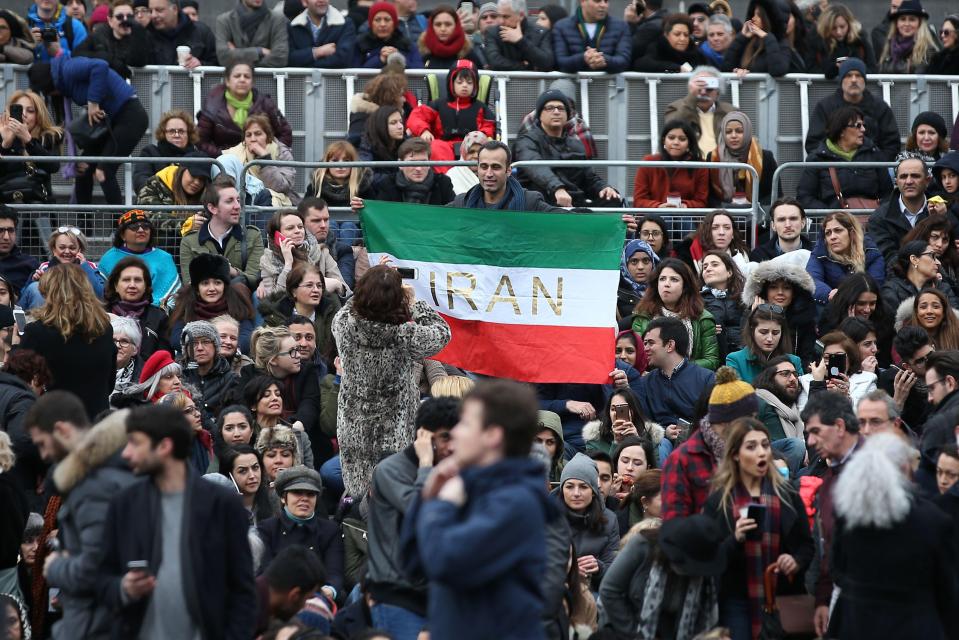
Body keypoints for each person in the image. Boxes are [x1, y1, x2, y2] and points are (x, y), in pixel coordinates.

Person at [402, 380, 552, 639]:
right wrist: (427, 496)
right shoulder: (464, 486)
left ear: (492, 435)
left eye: (466, 424)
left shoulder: (518, 501)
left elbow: (443, 560)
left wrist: (442, 504)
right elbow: (412, 562)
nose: (456, 432)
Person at [95, 404, 255, 638]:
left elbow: (242, 590)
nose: (126, 453)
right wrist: (123, 588)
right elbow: (101, 580)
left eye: (135, 443)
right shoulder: (124, 505)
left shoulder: (222, 505)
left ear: (164, 447)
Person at [332, 265, 451, 498]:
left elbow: (356, 303)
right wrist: (414, 303)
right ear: (397, 301)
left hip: (353, 424)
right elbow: (442, 333)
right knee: (390, 497)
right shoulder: (405, 336)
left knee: (358, 496)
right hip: (395, 429)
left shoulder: (342, 322)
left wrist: (378, 278)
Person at [831, 432, 957, 639]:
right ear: (906, 468)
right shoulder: (933, 520)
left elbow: (838, 569)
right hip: (914, 627)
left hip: (856, 623)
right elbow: (946, 591)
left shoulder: (848, 515)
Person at [703, 417, 814, 640]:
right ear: (735, 454)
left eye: (765, 445)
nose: (762, 452)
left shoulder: (787, 495)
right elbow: (709, 559)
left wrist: (796, 561)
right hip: (737, 602)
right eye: (751, 447)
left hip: (784, 597)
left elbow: (806, 546)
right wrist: (735, 539)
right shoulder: (719, 502)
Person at [365, 397, 458, 637]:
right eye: (446, 437)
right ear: (424, 436)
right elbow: (423, 511)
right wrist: (426, 465)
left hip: (439, 596)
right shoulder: (389, 470)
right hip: (397, 596)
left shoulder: (452, 471)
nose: (452, 447)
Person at [27, 51, 149, 206]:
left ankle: (121, 227)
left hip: (130, 116)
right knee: (83, 169)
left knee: (103, 172)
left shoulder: (68, 68)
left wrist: (93, 101)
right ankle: (84, 228)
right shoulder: (63, 83)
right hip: (111, 120)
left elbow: (100, 66)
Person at [796, 391, 862, 637]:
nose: (810, 442)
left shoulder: (875, 467)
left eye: (815, 431)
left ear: (840, 426)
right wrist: (823, 598)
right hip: (840, 597)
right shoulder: (828, 479)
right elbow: (828, 546)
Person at [660, 366, 757, 520]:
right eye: (747, 419)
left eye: (755, 417)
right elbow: (673, 529)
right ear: (725, 421)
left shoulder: (759, 452)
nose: (753, 426)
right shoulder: (682, 460)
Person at [20, 264, 114, 420]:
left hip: (54, 422)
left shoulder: (37, 332)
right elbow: (109, 383)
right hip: (96, 421)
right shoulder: (104, 330)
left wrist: (16, 342)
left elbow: (18, 380)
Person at [515, 89, 620, 208]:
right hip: (541, 203)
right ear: (540, 114)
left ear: (567, 114)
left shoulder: (576, 144)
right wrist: (557, 188)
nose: (556, 112)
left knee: (612, 198)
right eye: (550, 108)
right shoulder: (527, 140)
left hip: (574, 203)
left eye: (561, 108)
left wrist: (604, 187)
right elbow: (535, 166)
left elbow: (589, 177)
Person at [257, 466, 343, 596]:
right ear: (282, 498)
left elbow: (335, 572)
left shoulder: (330, 530)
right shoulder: (267, 529)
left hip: (318, 596)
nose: (304, 498)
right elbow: (266, 569)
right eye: (297, 492)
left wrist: (330, 590)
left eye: (310, 494)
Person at [798, 105, 893, 211]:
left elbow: (888, 194)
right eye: (858, 125)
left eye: (863, 125)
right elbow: (804, 197)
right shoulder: (817, 158)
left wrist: (878, 215)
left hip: (871, 222)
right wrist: (830, 215)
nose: (863, 129)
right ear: (841, 130)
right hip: (832, 224)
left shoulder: (874, 154)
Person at [805, 57, 901, 160]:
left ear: (864, 80)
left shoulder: (880, 107)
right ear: (841, 80)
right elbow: (813, 143)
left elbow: (892, 144)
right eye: (848, 75)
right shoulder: (825, 107)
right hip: (832, 169)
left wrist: (875, 165)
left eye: (858, 75)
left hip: (871, 171)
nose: (854, 80)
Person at [179, 176, 265, 291]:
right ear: (213, 208)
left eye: (238, 200)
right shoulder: (189, 241)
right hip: (205, 299)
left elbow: (254, 279)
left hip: (240, 300)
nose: (237, 206)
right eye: (230, 201)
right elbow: (189, 284)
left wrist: (231, 271)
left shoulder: (253, 235)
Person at [631, 259, 720, 370]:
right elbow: (637, 357)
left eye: (674, 279)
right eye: (662, 279)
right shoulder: (643, 316)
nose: (666, 284)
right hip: (652, 380)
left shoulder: (702, 318)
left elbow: (711, 361)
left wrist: (677, 368)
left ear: (685, 286)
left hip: (690, 381)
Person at [196, 61, 293, 158]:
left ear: (252, 82)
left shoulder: (265, 103)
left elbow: (285, 134)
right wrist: (224, 155)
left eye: (246, 76)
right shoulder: (212, 105)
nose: (242, 80)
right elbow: (200, 141)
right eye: (237, 76)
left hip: (260, 159)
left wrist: (269, 152)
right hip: (223, 162)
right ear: (227, 81)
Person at [636, 317, 717, 428]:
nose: (645, 348)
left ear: (670, 345)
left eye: (650, 343)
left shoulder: (706, 379)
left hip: (697, 440)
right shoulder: (645, 383)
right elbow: (644, 423)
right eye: (645, 343)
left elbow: (716, 420)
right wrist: (664, 433)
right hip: (658, 443)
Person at [406, 59, 495, 161]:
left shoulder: (481, 108)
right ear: (451, 83)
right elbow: (416, 117)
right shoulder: (437, 105)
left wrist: (486, 136)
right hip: (442, 146)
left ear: (475, 86)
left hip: (471, 147)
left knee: (481, 149)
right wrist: (424, 131)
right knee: (435, 146)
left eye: (469, 83)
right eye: (460, 82)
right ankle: (446, 177)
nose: (465, 85)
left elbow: (488, 127)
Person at [556, 453, 619, 592]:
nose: (576, 493)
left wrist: (599, 567)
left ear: (593, 491)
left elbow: (614, 573)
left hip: (591, 592)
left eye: (583, 487)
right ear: (562, 489)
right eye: (569, 486)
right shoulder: (546, 516)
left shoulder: (609, 520)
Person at [168, 253, 256, 352]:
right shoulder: (186, 306)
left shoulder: (236, 304)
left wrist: (228, 349)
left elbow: (247, 336)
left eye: (217, 283)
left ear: (225, 286)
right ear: (197, 288)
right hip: (195, 359)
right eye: (205, 283)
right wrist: (207, 350)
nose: (212, 289)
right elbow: (176, 339)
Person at [449, 140, 565, 211]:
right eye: (484, 167)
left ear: (508, 170)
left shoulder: (529, 202)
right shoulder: (462, 203)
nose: (489, 174)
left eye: (496, 167)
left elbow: (562, 220)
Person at [257, 209, 347, 300]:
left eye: (300, 227)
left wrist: (337, 285)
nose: (297, 231)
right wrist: (288, 264)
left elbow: (346, 291)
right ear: (277, 235)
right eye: (290, 228)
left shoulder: (320, 252)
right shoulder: (268, 260)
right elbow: (275, 300)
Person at [869, 153, 941, 264]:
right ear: (896, 182)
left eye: (915, 176)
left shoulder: (942, 211)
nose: (908, 181)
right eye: (903, 176)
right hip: (898, 277)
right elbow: (888, 258)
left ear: (927, 180)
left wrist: (940, 218)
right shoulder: (879, 218)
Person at [98, 210, 180, 305]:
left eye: (145, 227)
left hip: (157, 313)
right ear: (122, 235)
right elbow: (102, 291)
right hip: (117, 312)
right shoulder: (109, 258)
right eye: (134, 227)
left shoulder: (165, 258)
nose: (141, 230)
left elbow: (172, 295)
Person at [806, 211, 886, 305]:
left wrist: (846, 295)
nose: (832, 237)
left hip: (863, 306)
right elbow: (812, 280)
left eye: (838, 230)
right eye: (828, 233)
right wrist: (829, 294)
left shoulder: (871, 252)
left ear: (852, 233)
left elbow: (875, 282)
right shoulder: (819, 254)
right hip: (831, 306)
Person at [0, 90, 61, 212]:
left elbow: (53, 166)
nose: (24, 115)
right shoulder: (2, 136)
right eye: (18, 110)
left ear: (38, 115)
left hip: (40, 206)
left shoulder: (49, 136)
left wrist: (28, 140)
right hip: (7, 206)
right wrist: (6, 144)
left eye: (30, 111)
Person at [19, 227, 105, 311]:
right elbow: (25, 296)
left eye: (72, 248)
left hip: (82, 316)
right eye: (62, 247)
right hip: (51, 315)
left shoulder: (90, 267)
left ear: (80, 250)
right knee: (35, 287)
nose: (67, 252)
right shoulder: (44, 267)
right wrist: (35, 280)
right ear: (54, 249)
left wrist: (85, 268)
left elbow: (102, 295)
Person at [220, 114, 299, 205]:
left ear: (268, 136)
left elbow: (281, 187)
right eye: (248, 135)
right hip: (242, 202)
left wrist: (265, 158)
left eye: (258, 134)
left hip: (276, 202)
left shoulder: (281, 153)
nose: (253, 139)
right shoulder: (234, 154)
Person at [305, 142, 374, 246]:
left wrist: (363, 207)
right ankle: (329, 259)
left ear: (353, 164)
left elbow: (372, 212)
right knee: (331, 225)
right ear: (326, 163)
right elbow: (304, 209)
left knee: (348, 226)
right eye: (335, 160)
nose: (341, 165)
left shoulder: (363, 186)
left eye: (346, 161)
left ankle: (347, 257)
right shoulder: (316, 186)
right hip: (324, 227)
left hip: (355, 229)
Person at [104, 255, 172, 360]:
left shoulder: (159, 318)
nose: (132, 285)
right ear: (115, 286)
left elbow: (165, 359)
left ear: (146, 286)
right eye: (126, 280)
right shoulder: (101, 315)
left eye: (138, 280)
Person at [633, 119, 709, 210]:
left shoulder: (700, 166)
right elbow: (639, 200)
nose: (676, 142)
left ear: (689, 144)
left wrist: (685, 206)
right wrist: (658, 206)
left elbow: (701, 202)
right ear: (663, 141)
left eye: (682, 139)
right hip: (654, 217)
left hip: (687, 217)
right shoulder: (649, 162)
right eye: (671, 138)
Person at [706, 111, 777, 207]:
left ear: (747, 132)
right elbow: (708, 195)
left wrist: (754, 206)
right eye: (728, 132)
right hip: (722, 214)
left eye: (739, 131)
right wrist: (725, 208)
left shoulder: (765, 157)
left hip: (758, 215)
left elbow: (775, 193)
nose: (734, 136)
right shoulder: (713, 157)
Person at [663, 67, 734, 157]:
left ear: (718, 92)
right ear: (691, 89)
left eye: (709, 88)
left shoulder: (730, 112)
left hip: (721, 164)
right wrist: (692, 97)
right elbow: (672, 127)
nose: (703, 92)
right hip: (689, 164)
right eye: (699, 88)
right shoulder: (675, 108)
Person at [753, 357, 807, 474]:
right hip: (766, 463)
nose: (793, 379)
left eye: (795, 374)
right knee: (796, 446)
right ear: (770, 378)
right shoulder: (758, 401)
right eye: (785, 374)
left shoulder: (798, 404)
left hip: (797, 466)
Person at [726, 304, 804, 384]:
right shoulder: (735, 360)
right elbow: (734, 395)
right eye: (763, 332)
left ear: (782, 333)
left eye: (775, 333)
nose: (770, 338)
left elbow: (800, 394)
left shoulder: (794, 361)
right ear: (752, 331)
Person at [75, 0, 152, 79]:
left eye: (129, 17)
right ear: (110, 21)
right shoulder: (99, 35)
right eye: (120, 17)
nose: (125, 20)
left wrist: (138, 31)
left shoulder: (141, 35)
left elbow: (138, 62)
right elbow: (77, 54)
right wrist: (108, 59)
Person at [179, 320, 238, 418]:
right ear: (186, 349)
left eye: (206, 342)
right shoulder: (178, 379)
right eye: (193, 343)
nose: (200, 348)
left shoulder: (231, 379)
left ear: (216, 346)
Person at [372, 137, 456, 205]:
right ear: (400, 164)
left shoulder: (443, 183)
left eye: (423, 162)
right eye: (412, 163)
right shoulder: (388, 184)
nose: (418, 168)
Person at [552, 0, 630, 73]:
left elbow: (624, 60)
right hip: (573, 84)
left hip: (610, 85)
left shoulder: (621, 26)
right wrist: (583, 58)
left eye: (606, 1)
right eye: (597, 1)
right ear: (582, 1)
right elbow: (561, 61)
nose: (603, 5)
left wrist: (604, 60)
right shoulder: (561, 26)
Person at [132, 110, 200, 193]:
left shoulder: (197, 157)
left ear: (188, 134)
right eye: (172, 131)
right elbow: (140, 182)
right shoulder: (150, 153)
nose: (176, 135)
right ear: (163, 134)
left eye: (181, 131)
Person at [882, 240, 959, 312]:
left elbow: (955, 320)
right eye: (932, 256)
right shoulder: (892, 290)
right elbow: (892, 324)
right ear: (914, 259)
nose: (938, 263)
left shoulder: (943, 288)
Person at [299, 198, 356, 289]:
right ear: (301, 222)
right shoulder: (291, 249)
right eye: (316, 221)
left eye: (326, 220)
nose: (323, 225)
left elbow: (345, 287)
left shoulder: (342, 250)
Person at [675, 210, 750, 277]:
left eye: (726, 228)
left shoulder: (742, 255)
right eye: (715, 228)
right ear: (707, 232)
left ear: (733, 234)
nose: (721, 232)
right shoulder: (689, 253)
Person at [809, 3, 876, 78]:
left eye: (842, 27)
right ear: (826, 27)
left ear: (849, 24)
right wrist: (834, 68)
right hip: (824, 88)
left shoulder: (860, 42)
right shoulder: (818, 42)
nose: (838, 32)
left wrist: (853, 66)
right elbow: (811, 70)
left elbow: (873, 70)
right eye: (833, 28)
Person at [215, 0, 289, 67]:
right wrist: (259, 51)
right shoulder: (225, 20)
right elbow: (223, 57)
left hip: (267, 79)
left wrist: (236, 54)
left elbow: (280, 58)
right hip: (236, 80)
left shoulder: (277, 19)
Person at [700, 250, 745, 360]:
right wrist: (706, 330)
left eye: (714, 264)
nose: (708, 269)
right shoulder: (696, 301)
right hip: (713, 358)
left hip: (743, 357)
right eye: (704, 267)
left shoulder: (746, 297)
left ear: (729, 272)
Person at [484, 0, 553, 70]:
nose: (501, 21)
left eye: (506, 17)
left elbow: (547, 63)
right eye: (499, 16)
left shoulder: (540, 32)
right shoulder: (492, 32)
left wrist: (520, 41)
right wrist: (526, 66)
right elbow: (494, 62)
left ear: (521, 15)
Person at [144, 0, 216, 66]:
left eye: (159, 10)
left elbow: (217, 65)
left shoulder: (201, 32)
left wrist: (200, 64)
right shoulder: (146, 34)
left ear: (174, 9)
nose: (153, 15)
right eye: (150, 11)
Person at [287, 0, 356, 68]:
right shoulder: (293, 26)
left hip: (334, 79)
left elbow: (343, 59)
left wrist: (306, 63)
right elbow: (289, 59)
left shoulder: (345, 24)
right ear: (304, 2)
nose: (321, 0)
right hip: (302, 79)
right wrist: (317, 52)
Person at [355, 2, 424, 68]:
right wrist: (380, 59)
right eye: (378, 20)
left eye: (387, 20)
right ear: (370, 23)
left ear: (394, 23)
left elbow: (418, 71)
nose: (383, 24)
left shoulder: (407, 45)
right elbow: (354, 73)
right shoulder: (360, 45)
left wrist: (399, 58)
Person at [877, 0, 938, 73]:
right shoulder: (889, 45)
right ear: (897, 23)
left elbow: (919, 78)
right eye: (902, 19)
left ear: (920, 23)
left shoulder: (928, 49)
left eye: (912, 19)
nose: (907, 24)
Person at [218, 444, 273, 524]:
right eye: (242, 471)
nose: (252, 476)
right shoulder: (220, 509)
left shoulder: (275, 502)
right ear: (229, 475)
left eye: (255, 468)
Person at [634, 13, 705, 72]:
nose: (682, 39)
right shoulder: (658, 48)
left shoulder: (696, 52)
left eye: (686, 35)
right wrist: (677, 68)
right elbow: (642, 64)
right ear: (666, 35)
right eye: (677, 34)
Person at [358, 105, 407, 189]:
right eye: (393, 123)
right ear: (381, 126)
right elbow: (367, 176)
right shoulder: (367, 146)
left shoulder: (406, 144)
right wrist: (397, 178)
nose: (400, 126)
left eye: (401, 122)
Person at [416, 5, 480, 68]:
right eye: (438, 24)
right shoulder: (421, 51)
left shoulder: (467, 52)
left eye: (448, 24)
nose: (443, 29)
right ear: (431, 26)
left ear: (456, 26)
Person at [0, 205, 39, 294]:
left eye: (11, 230)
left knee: (37, 288)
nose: (6, 237)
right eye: (0, 231)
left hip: (20, 305)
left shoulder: (30, 263)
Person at [617, 239, 659, 319]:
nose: (640, 267)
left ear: (653, 263)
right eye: (634, 261)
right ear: (625, 264)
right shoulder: (615, 296)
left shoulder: (662, 290)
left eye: (646, 261)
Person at [445, 130, 487, 195]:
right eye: (471, 152)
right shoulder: (452, 175)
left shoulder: (492, 174)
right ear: (464, 154)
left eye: (480, 152)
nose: (476, 156)